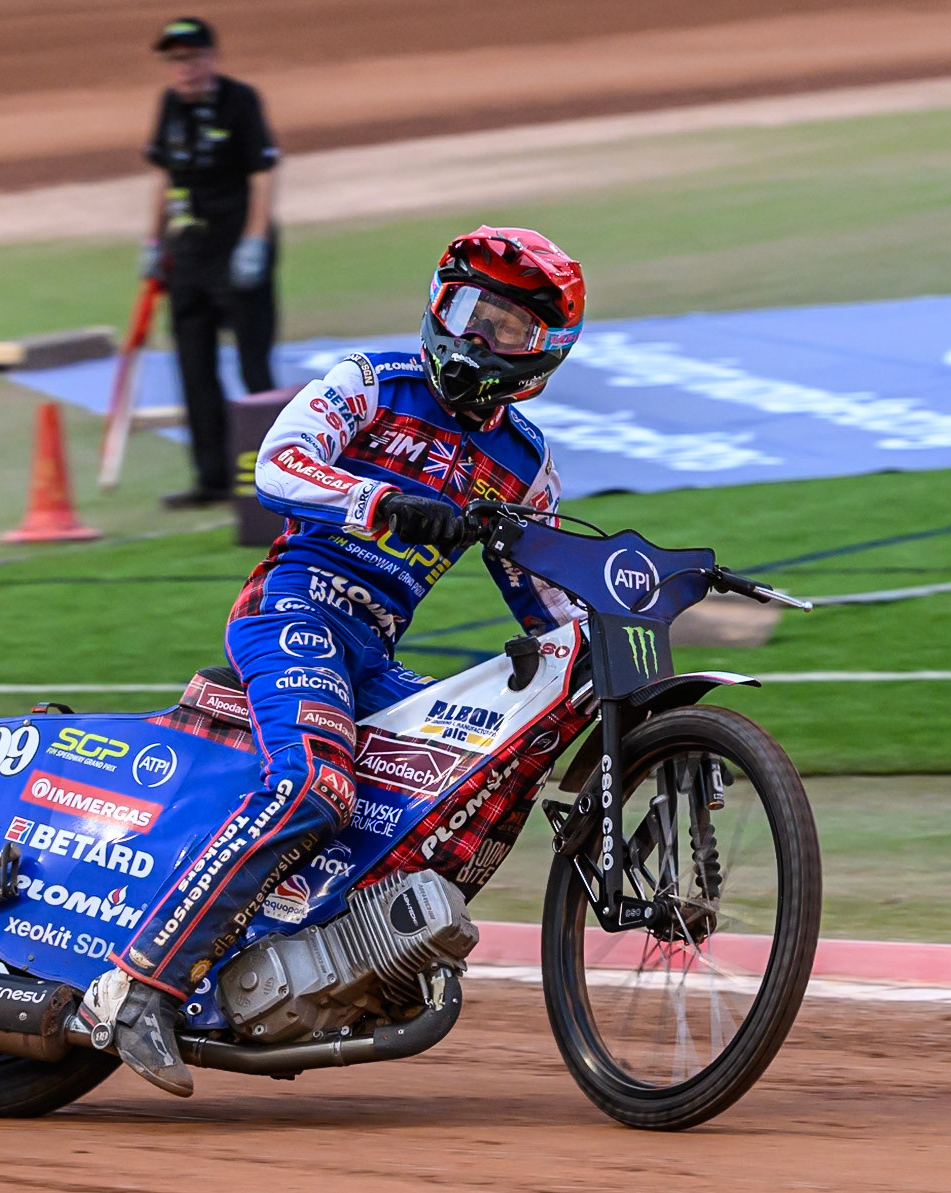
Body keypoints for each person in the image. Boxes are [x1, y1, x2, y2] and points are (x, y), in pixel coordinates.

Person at [96, 226, 588, 1096]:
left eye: (507, 329)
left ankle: (318, 965)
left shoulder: (525, 466)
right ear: (440, 306)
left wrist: (604, 636)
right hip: (292, 608)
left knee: (455, 782)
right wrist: (384, 504)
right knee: (317, 784)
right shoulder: (370, 382)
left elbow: (546, 598)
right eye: (472, 313)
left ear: (541, 353)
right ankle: (142, 983)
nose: (480, 339)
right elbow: (276, 467)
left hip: (373, 651)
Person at [142, 17, 281, 507]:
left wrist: (255, 242)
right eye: (175, 59)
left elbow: (262, 176)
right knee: (193, 366)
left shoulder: (239, 101)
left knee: (253, 367)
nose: (184, 68)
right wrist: (153, 241)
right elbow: (165, 177)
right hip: (189, 255)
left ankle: (280, 477)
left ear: (211, 58)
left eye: (192, 57)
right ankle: (211, 478)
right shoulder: (170, 107)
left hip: (236, 247)